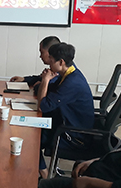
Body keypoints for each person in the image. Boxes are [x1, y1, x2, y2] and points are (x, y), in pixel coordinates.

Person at [37, 43, 94, 179]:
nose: (49, 64)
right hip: (66, 125)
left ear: (61, 62)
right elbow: (47, 97)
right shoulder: (69, 74)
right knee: (33, 133)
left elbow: (42, 106)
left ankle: (45, 176)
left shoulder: (72, 83)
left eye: (51, 61)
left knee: (32, 139)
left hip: (73, 136)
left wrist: (45, 80)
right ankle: (42, 172)